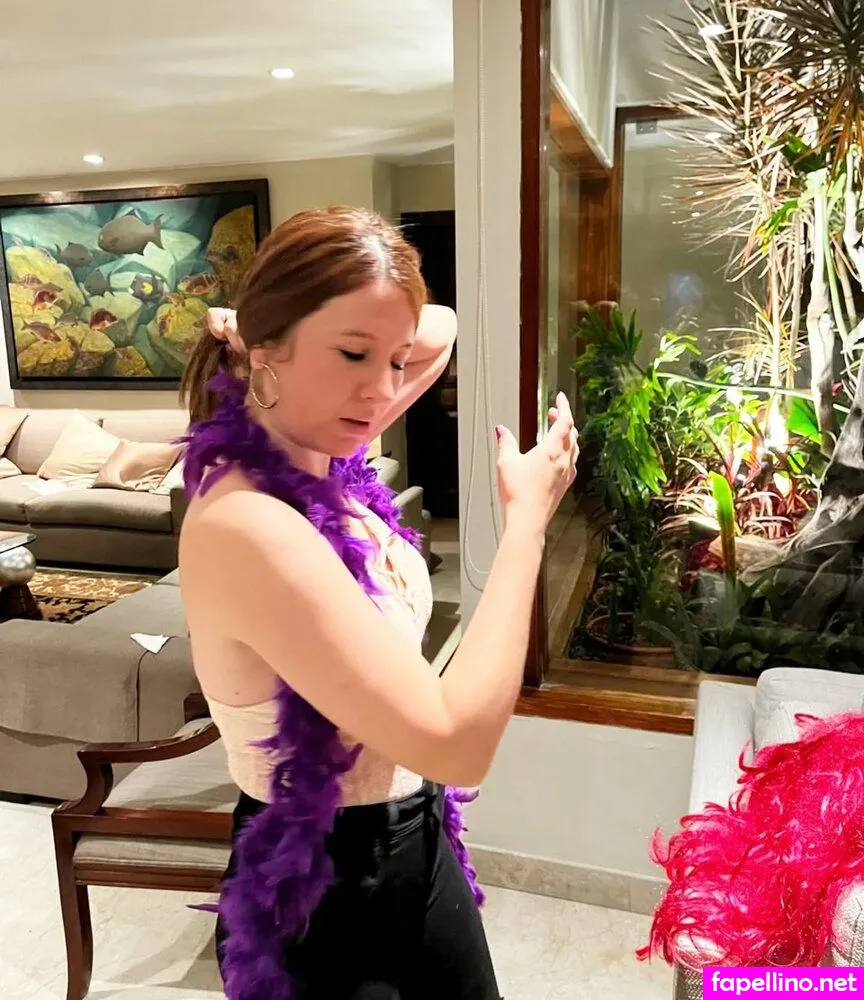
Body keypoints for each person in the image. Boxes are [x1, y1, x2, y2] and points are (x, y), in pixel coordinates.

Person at [178, 205, 578, 1000]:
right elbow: (456, 745)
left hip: (416, 840)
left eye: (394, 361)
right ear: (269, 349)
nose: (383, 388)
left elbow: (440, 327)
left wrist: (281, 326)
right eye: (354, 353)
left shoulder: (320, 451)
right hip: (323, 892)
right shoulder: (249, 523)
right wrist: (527, 524)